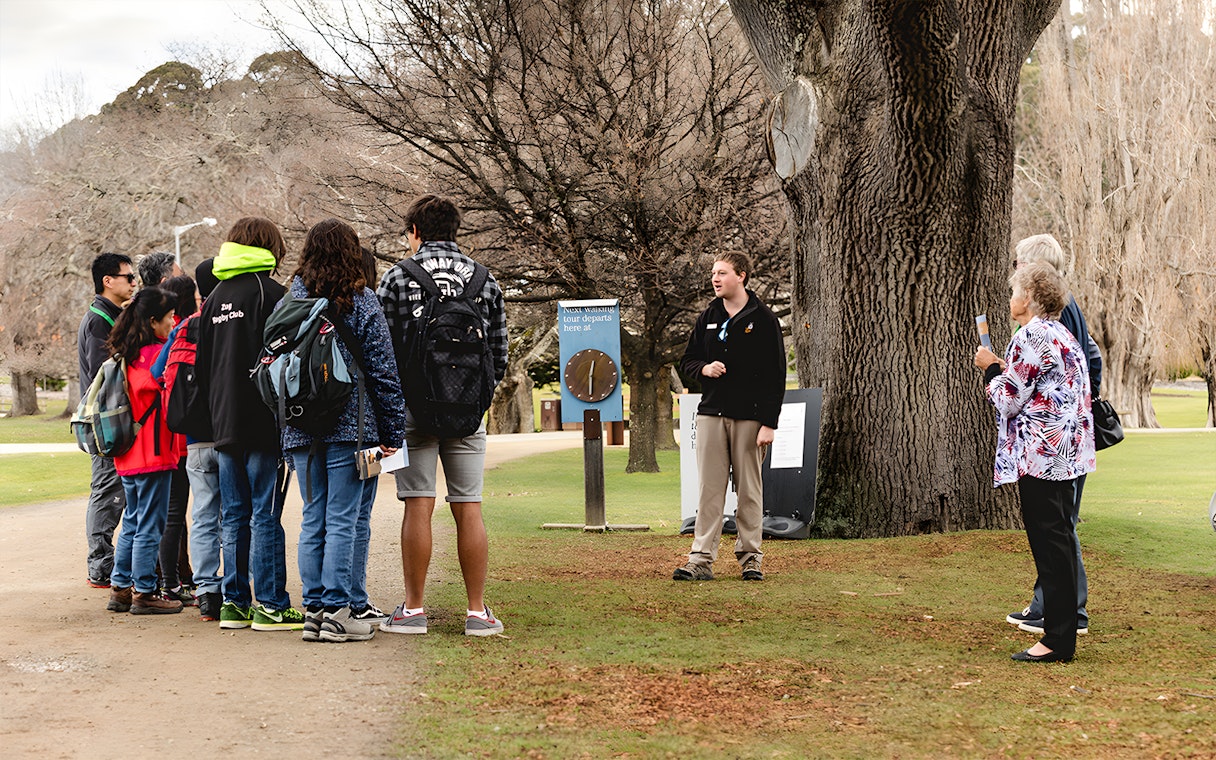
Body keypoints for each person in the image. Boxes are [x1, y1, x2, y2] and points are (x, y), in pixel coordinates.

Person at [376, 194, 508, 636]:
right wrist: (474, 398)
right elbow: (499, 354)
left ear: (415, 231)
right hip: (467, 412)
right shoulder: (484, 279)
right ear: (456, 231)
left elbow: (383, 352)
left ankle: (413, 610)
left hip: (415, 410)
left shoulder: (397, 277)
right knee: (469, 506)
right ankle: (477, 612)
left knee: (418, 505)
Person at [283, 219, 406, 643]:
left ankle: (314, 610)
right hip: (351, 427)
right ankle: (338, 610)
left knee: (312, 519)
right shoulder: (362, 300)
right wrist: (393, 430)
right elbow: (383, 373)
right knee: (342, 520)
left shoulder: (292, 299)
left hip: (301, 426)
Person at [974, 261, 1095, 663]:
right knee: (1060, 540)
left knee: (1050, 546)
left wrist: (990, 368)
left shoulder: (1031, 335)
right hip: (1066, 454)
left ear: (1028, 298)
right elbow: (1043, 389)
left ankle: (1057, 640)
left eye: (1014, 292)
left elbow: (1009, 398)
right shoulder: (1062, 336)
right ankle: (1061, 632)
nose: (1011, 299)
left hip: (1041, 455)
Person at [197, 217, 304, 631]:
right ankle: (272, 604)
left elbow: (204, 366)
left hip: (222, 422)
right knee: (265, 512)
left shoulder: (214, 298)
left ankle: (234, 603)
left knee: (234, 514)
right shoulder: (272, 293)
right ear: (270, 248)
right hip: (262, 420)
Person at [1004, 234, 1102, 637]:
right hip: (1067, 442)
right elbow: (1088, 358)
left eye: (1019, 267)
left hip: (1048, 448)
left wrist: (993, 372)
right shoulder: (1062, 320)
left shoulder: (1042, 330)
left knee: (1055, 529)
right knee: (1060, 526)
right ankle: (1055, 610)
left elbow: (1011, 396)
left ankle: (1062, 613)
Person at [673, 252, 785, 582]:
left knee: (749, 489)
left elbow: (775, 375)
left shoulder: (763, 318)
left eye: (722, 272)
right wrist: (704, 368)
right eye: (713, 273)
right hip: (710, 414)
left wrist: (769, 422)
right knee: (710, 489)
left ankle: (751, 558)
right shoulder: (708, 316)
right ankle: (701, 560)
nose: (715, 278)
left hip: (750, 418)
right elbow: (688, 361)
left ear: (742, 276)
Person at [103, 287, 185, 615]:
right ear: (153, 322)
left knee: (134, 522)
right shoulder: (153, 354)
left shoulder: (125, 355)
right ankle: (146, 591)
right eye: (168, 318)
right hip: (152, 453)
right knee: (151, 524)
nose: (173, 322)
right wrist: (176, 339)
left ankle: (121, 588)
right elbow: (157, 378)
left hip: (128, 454)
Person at [153, 259, 225, 620]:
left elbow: (156, 372)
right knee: (237, 515)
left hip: (193, 437)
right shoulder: (234, 322)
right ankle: (237, 589)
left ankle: (207, 590)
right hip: (230, 432)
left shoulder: (185, 328)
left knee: (202, 515)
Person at [78, 252, 135, 588]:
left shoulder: (110, 315)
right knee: (106, 492)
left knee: (111, 491)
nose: (133, 283)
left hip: (110, 422)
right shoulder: (100, 319)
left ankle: (104, 564)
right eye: (128, 277)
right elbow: (107, 375)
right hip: (106, 424)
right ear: (107, 281)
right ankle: (99, 565)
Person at [152, 274, 199, 606]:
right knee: (181, 513)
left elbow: (156, 373)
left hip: (174, 432)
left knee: (175, 513)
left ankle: (173, 580)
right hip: (188, 436)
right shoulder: (189, 327)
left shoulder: (175, 330)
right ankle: (174, 581)